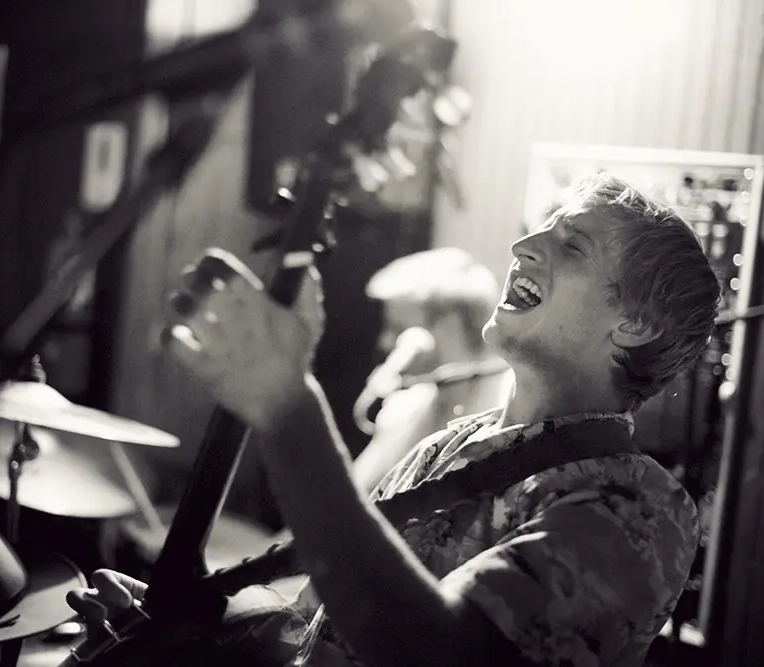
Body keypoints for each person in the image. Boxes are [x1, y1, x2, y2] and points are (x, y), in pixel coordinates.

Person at [67, 173, 721, 666]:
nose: (522, 245)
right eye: (539, 228)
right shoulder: (449, 445)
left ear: (635, 324)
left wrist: (287, 405)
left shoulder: (641, 505)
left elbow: (434, 649)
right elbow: (313, 623)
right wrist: (192, 627)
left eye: (571, 244)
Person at [351, 246, 513, 492]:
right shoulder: (404, 409)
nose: (385, 341)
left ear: (450, 324)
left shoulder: (510, 406)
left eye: (397, 327)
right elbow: (355, 495)